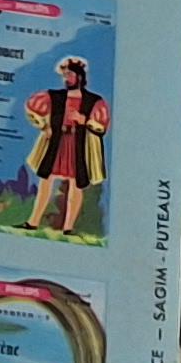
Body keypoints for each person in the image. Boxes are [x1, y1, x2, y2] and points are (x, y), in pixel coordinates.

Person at [24, 55, 110, 235]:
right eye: (64, 75)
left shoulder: (94, 100)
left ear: (79, 76)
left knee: (75, 184)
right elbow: (32, 108)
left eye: (70, 74)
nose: (66, 78)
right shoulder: (54, 96)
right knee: (46, 180)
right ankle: (33, 222)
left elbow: (101, 125)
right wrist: (44, 126)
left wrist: (84, 120)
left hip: (79, 144)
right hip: (57, 142)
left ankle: (68, 227)